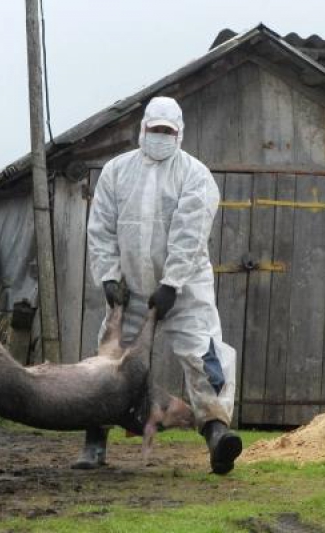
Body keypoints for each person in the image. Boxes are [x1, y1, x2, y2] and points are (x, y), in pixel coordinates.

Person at [86, 96, 242, 474]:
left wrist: (172, 283)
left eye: (167, 132)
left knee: (205, 355)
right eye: (154, 130)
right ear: (142, 129)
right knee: (111, 362)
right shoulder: (116, 171)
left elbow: (190, 233)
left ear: (180, 134)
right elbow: (102, 227)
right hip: (131, 289)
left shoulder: (195, 175)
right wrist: (108, 277)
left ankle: (217, 432)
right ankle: (94, 442)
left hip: (185, 289)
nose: (160, 137)